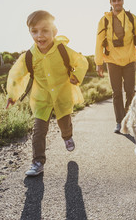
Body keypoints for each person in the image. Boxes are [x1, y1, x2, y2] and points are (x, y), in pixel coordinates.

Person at [6, 10, 88, 176]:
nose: (39, 36)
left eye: (44, 31)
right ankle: (37, 162)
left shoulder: (63, 50)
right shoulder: (28, 56)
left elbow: (81, 62)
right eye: (34, 31)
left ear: (54, 31)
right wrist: (12, 95)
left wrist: (76, 76)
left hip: (62, 94)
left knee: (64, 121)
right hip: (41, 98)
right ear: (30, 32)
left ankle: (67, 136)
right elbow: (16, 76)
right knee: (38, 131)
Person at [95, 0, 136, 133]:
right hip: (112, 61)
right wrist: (98, 62)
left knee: (130, 91)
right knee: (116, 93)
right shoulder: (104, 20)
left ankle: (128, 117)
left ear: (123, 1)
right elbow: (98, 42)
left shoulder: (132, 18)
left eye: (119, 0)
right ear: (110, 3)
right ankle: (119, 122)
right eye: (114, 1)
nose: (117, 3)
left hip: (128, 60)